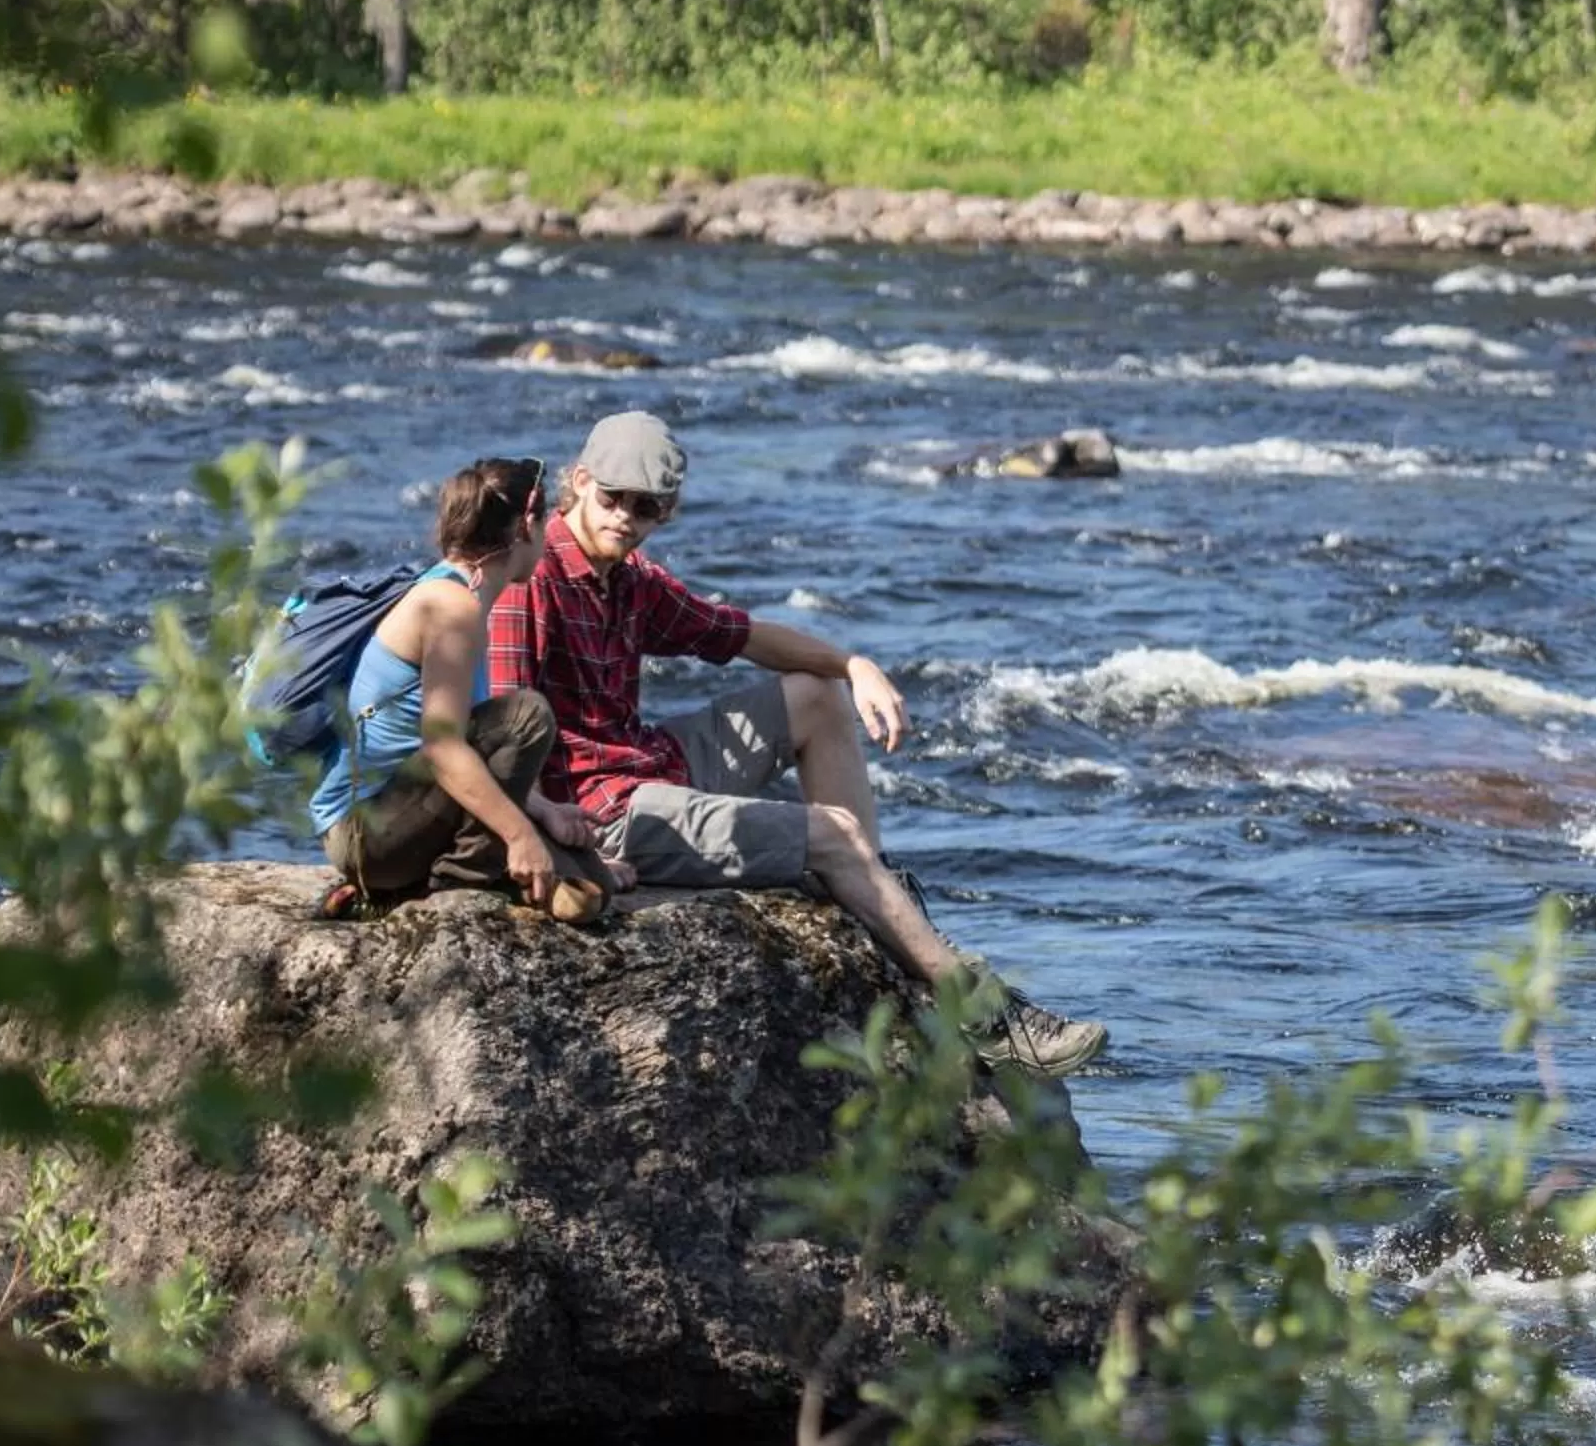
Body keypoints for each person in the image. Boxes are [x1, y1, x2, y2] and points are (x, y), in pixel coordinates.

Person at [488, 411, 1105, 1076]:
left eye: (647, 508)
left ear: (666, 511)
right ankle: (989, 1017)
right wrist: (559, 846)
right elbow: (502, 732)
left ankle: (879, 897)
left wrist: (852, 664)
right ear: (579, 483)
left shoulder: (632, 580)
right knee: (830, 834)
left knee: (816, 695)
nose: (625, 518)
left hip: (645, 764)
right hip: (601, 814)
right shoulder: (531, 583)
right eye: (612, 499)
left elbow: (741, 634)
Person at [315, 455, 616, 919]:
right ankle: (457, 886)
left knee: (595, 887)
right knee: (526, 715)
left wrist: (540, 809)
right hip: (365, 833)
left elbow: (474, 749)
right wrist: (519, 836)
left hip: (404, 815)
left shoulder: (458, 593)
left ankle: (417, 884)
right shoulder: (451, 607)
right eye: (547, 521)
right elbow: (443, 747)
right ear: (524, 527)